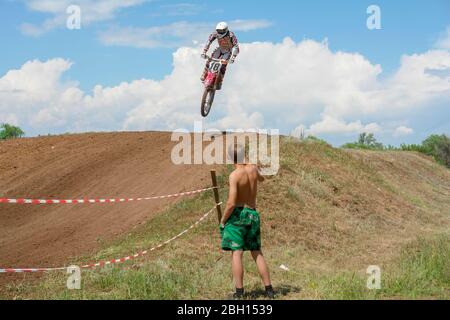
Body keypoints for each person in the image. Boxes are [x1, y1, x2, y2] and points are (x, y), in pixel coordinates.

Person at [220, 143, 275, 299]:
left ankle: (239, 293)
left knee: (236, 253)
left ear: (231, 158)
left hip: (238, 215)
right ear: (244, 154)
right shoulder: (253, 168)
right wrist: (253, 165)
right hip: (252, 213)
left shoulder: (234, 175)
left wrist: (223, 221)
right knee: (257, 252)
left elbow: (231, 203)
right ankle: (269, 289)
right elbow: (262, 179)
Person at [201, 21, 240, 90]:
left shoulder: (231, 35)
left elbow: (236, 47)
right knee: (210, 60)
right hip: (220, 49)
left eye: (221, 31)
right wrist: (204, 52)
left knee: (223, 65)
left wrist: (233, 57)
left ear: (226, 29)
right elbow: (208, 42)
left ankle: (219, 82)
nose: (219, 32)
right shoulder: (215, 33)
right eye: (218, 30)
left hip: (228, 51)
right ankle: (205, 74)